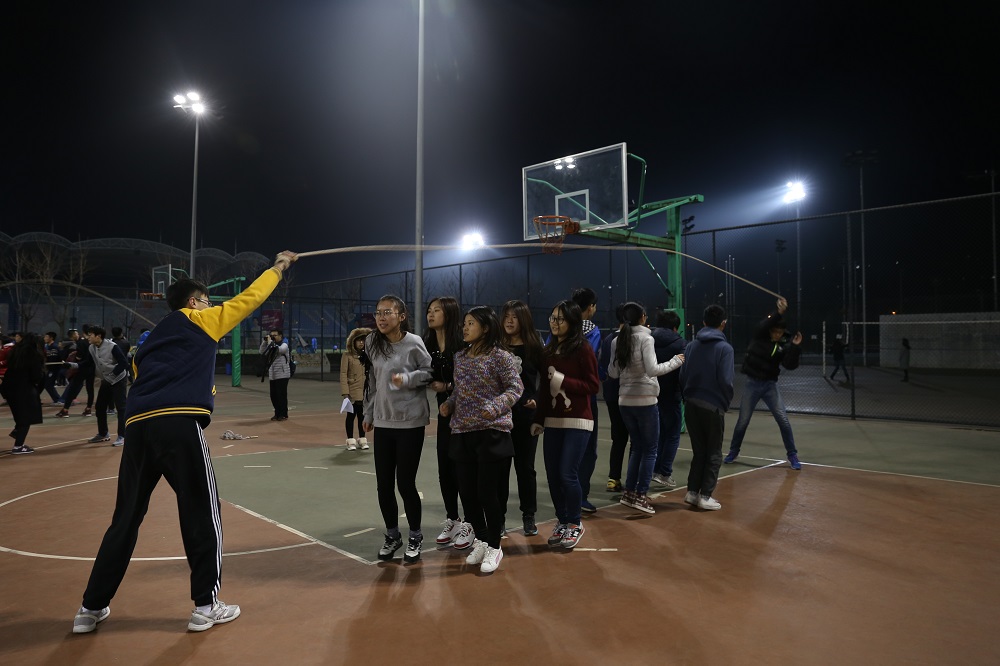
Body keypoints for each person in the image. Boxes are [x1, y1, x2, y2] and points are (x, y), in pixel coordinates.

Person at [72, 250, 298, 634]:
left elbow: (145, 375)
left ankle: (89, 609)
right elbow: (250, 298)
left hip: (138, 428)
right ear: (194, 303)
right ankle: (206, 606)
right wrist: (278, 267)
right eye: (207, 301)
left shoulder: (148, 343)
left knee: (125, 520)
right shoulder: (202, 320)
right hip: (178, 424)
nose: (211, 306)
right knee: (201, 512)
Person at [441, 306, 522, 573]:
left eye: (471, 323)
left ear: (485, 328)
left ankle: (495, 547)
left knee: (487, 493)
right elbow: (461, 391)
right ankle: (483, 541)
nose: (465, 328)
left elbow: (515, 388)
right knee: (468, 494)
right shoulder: (460, 357)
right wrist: (450, 403)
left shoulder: (501, 357)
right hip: (462, 432)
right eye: (464, 323)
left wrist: (496, 406)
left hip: (491, 432)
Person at [362, 295, 433, 564]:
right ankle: (393, 535)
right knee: (383, 485)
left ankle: (415, 535)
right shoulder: (372, 342)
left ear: (401, 316)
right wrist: (369, 413)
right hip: (383, 422)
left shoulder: (414, 342)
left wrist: (407, 379)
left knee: (405, 483)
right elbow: (373, 380)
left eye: (387, 312)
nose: (381, 317)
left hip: (410, 422)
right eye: (378, 312)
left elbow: (429, 372)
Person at [532, 300, 600, 550]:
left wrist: (563, 380)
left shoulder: (582, 349)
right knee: (552, 475)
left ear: (572, 322)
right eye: (552, 318)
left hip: (578, 420)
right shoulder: (548, 351)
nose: (555, 323)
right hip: (553, 421)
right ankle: (562, 521)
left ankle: (574, 523)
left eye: (560, 319)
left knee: (567, 474)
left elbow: (593, 386)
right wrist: (539, 419)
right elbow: (543, 389)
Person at [608, 302, 685, 514]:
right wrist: (676, 361)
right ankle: (640, 495)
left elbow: (613, 373)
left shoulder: (617, 340)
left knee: (638, 447)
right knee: (650, 449)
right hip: (646, 401)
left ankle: (629, 493)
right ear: (642, 317)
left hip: (625, 401)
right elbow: (652, 369)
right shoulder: (646, 339)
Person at [724, 298, 803, 470]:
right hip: (752, 384)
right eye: (774, 331)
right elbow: (763, 325)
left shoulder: (783, 346)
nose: (777, 335)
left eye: (780, 332)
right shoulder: (759, 336)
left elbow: (790, 365)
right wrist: (779, 312)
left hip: (770, 386)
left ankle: (792, 455)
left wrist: (795, 347)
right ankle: (733, 451)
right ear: (770, 330)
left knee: (783, 420)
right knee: (743, 421)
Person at [423, 297, 472, 549]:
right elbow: (423, 374)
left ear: (449, 313)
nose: (430, 314)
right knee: (445, 467)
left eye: (437, 310)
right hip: (444, 414)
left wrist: (448, 386)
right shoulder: (428, 345)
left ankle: (471, 522)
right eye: (429, 310)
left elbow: (471, 379)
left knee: (462, 468)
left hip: (466, 415)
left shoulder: (462, 344)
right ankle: (453, 519)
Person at [679, 304, 734, 511]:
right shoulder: (725, 349)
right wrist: (724, 402)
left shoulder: (691, 346)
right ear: (723, 323)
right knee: (714, 453)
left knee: (699, 451)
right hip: (713, 405)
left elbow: (682, 375)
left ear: (703, 322)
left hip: (691, 403)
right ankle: (706, 495)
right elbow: (726, 381)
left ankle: (692, 492)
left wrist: (686, 396)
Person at [499, 299, 543, 536]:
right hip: (500, 417)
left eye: (514, 317)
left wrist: (537, 400)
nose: (509, 321)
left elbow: (546, 379)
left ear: (523, 319)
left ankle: (529, 515)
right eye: (506, 316)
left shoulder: (534, 346)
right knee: (500, 469)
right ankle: (499, 518)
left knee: (525, 469)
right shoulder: (497, 346)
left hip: (526, 417)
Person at [570, 287, 601, 514]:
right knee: (587, 449)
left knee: (565, 449)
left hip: (561, 394)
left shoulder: (560, 326)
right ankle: (580, 497)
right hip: (584, 397)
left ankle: (565, 494)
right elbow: (591, 360)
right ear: (590, 308)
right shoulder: (592, 331)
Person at [650, 310, 687, 488]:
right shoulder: (680, 343)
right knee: (672, 434)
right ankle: (664, 472)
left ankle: (654, 469)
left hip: (651, 393)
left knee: (660, 433)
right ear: (675, 328)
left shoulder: (648, 340)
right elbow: (684, 371)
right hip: (672, 394)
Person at [82, 326, 130, 447]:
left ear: (98, 336)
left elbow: (124, 363)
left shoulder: (112, 346)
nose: (88, 337)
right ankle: (103, 433)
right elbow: (88, 363)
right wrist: (73, 365)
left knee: (121, 408)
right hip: (107, 379)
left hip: (119, 379)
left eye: (90, 335)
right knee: (100, 406)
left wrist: (113, 375)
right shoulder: (92, 348)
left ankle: (122, 436)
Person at [599, 305, 629, 493]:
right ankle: (633, 481)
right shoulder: (635, 339)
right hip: (629, 394)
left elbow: (603, 366)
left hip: (611, 393)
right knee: (636, 438)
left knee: (618, 437)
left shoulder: (608, 339)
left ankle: (613, 478)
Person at [0, 332, 46, 454]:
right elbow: (36, 376)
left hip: (8, 388)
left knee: (19, 415)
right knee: (26, 419)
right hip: (24, 389)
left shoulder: (15, 352)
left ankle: (17, 431)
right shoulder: (34, 355)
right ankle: (18, 446)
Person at [340, 327, 372, 450]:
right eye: (358, 340)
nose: (361, 343)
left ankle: (362, 439)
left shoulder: (367, 356)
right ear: (353, 342)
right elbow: (343, 374)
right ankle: (350, 441)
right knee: (351, 416)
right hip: (352, 391)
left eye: (363, 340)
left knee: (362, 416)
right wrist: (345, 393)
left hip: (365, 391)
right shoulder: (347, 355)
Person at [55, 327, 96, 418]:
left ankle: (65, 410)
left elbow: (79, 357)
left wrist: (74, 359)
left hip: (82, 368)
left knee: (72, 388)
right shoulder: (92, 343)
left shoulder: (81, 343)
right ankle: (88, 409)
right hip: (91, 369)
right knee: (90, 389)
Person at [260, 329, 291, 421]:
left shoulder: (284, 345)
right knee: (273, 395)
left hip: (283, 374)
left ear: (280, 336)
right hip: (273, 374)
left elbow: (278, 350)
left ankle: (283, 414)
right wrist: (264, 342)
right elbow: (262, 351)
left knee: (281, 395)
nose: (273, 337)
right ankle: (277, 413)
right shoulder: (270, 345)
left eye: (275, 335)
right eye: (271, 335)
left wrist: (270, 341)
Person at [42, 331, 64, 404]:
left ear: (51, 338)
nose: (44, 338)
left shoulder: (55, 347)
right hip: (50, 368)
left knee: (48, 384)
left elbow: (57, 358)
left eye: (46, 337)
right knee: (48, 384)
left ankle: (58, 400)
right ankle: (57, 399)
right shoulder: (47, 347)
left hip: (54, 369)